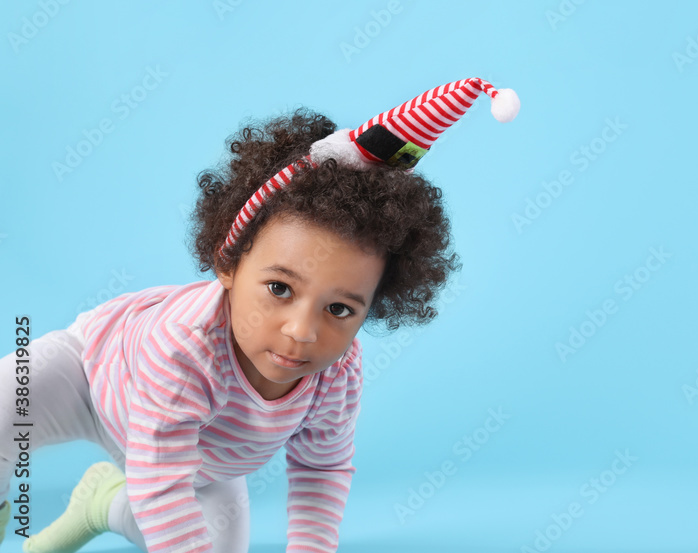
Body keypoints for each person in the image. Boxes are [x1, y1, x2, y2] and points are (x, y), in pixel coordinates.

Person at [0, 77, 519, 552]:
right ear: (228, 262)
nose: (301, 331)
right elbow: (159, 484)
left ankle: (102, 506)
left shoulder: (336, 375)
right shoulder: (185, 343)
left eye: (339, 309)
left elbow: (322, 469)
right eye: (279, 288)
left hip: (199, 460)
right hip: (92, 380)